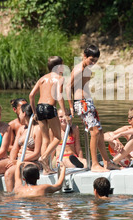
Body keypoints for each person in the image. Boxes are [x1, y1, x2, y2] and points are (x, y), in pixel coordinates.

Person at [66, 44, 121, 172]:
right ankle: (95, 164)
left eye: (95, 61)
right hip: (82, 103)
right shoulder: (79, 69)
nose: (93, 63)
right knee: (94, 132)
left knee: (100, 133)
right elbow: (68, 86)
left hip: (88, 102)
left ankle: (107, 162)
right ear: (84, 56)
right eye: (91, 60)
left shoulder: (88, 69)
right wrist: (71, 106)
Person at [0, 103, 43, 192]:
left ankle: (11, 199)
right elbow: (15, 148)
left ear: (23, 114)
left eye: (19, 113)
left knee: (9, 173)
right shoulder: (21, 129)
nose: (18, 116)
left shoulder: (37, 129)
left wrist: (18, 161)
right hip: (18, 159)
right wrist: (11, 160)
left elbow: (37, 153)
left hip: (32, 161)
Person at [29, 56, 69, 173]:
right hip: (50, 107)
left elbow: (31, 95)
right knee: (57, 137)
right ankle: (44, 157)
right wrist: (65, 112)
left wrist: (34, 112)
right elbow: (59, 96)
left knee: (45, 139)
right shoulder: (59, 78)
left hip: (39, 107)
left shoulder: (42, 79)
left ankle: (46, 169)